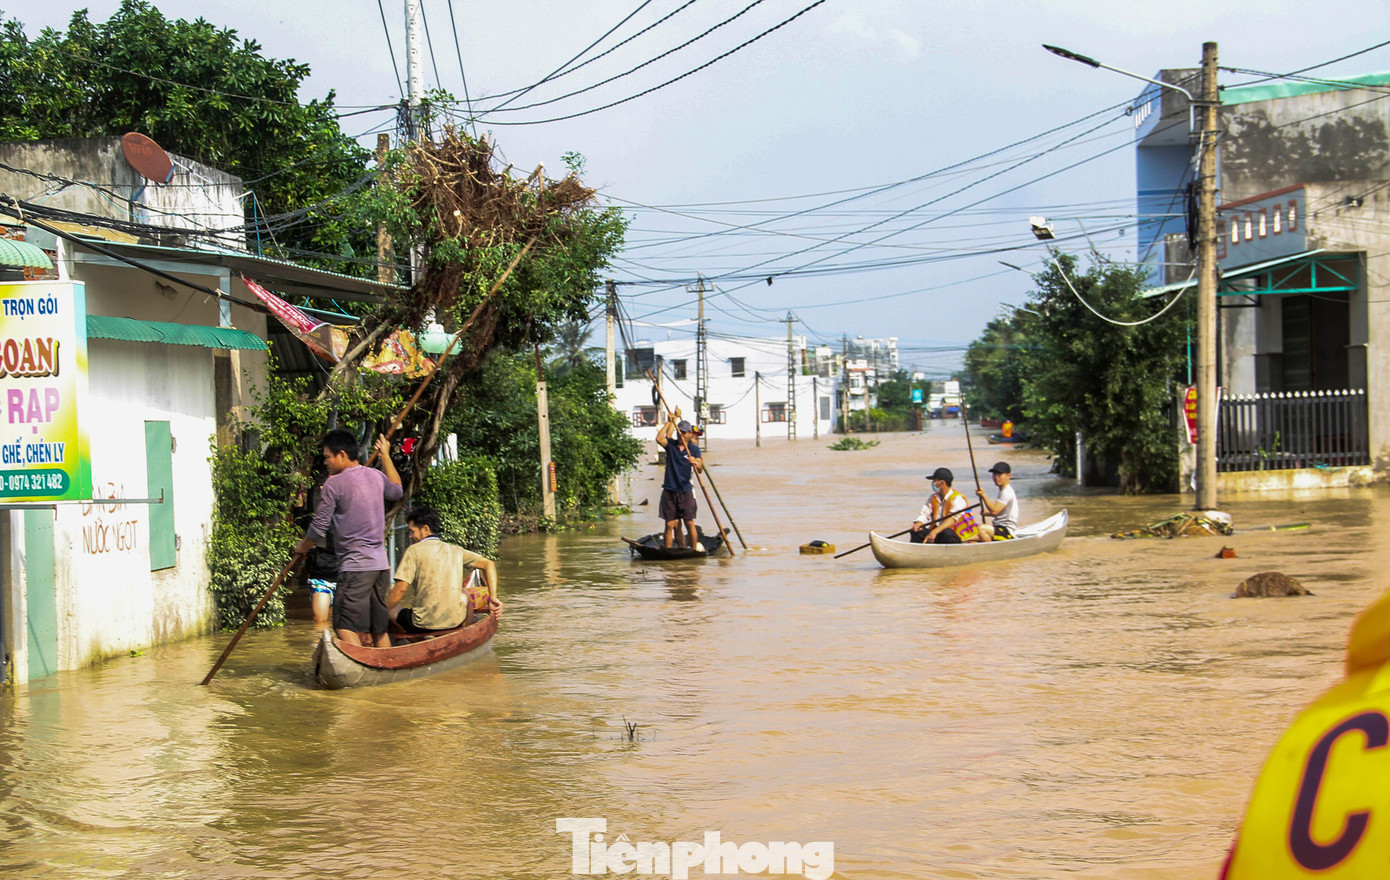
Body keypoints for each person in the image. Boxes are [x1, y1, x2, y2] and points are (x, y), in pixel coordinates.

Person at [295, 429, 403, 648]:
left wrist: (302, 546)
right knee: (377, 628)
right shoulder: (375, 475)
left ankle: (362, 669)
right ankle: (385, 672)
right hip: (380, 567)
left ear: (342, 455)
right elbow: (397, 491)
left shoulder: (333, 484)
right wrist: (386, 456)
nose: (325, 462)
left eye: (327, 457)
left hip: (355, 568)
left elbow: (318, 530)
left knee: (343, 625)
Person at [385, 505, 502, 633]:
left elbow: (401, 589)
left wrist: (382, 612)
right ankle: (463, 634)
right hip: (454, 622)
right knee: (465, 594)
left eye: (412, 531)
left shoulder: (413, 551)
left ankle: (419, 639)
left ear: (425, 529)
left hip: (421, 624)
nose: (410, 536)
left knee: (389, 609)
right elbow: (488, 564)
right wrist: (493, 597)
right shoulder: (455, 550)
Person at [655, 408, 704, 550]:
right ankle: (668, 551)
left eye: (684, 432)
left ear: (689, 434)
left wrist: (696, 462)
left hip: (685, 491)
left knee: (689, 523)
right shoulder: (672, 446)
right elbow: (659, 438)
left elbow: (700, 469)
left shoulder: (693, 449)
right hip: (670, 490)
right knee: (670, 524)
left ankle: (694, 550)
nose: (681, 434)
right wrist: (670, 421)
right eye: (679, 432)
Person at [910, 466, 979, 544]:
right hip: (937, 533)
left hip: (955, 535)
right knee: (916, 531)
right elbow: (924, 513)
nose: (933, 484)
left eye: (935, 481)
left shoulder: (958, 499)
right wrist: (919, 522)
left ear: (942, 483)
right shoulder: (933, 498)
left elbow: (952, 519)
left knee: (946, 532)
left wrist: (935, 532)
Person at [975, 460, 1019, 542]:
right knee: (972, 538)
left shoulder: (1007, 492)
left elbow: (995, 511)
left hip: (1006, 531)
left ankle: (990, 550)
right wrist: (987, 513)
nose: (996, 477)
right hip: (998, 527)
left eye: (999, 474)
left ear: (1008, 476)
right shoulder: (1003, 490)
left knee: (981, 529)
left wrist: (983, 496)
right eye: (994, 474)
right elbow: (998, 513)